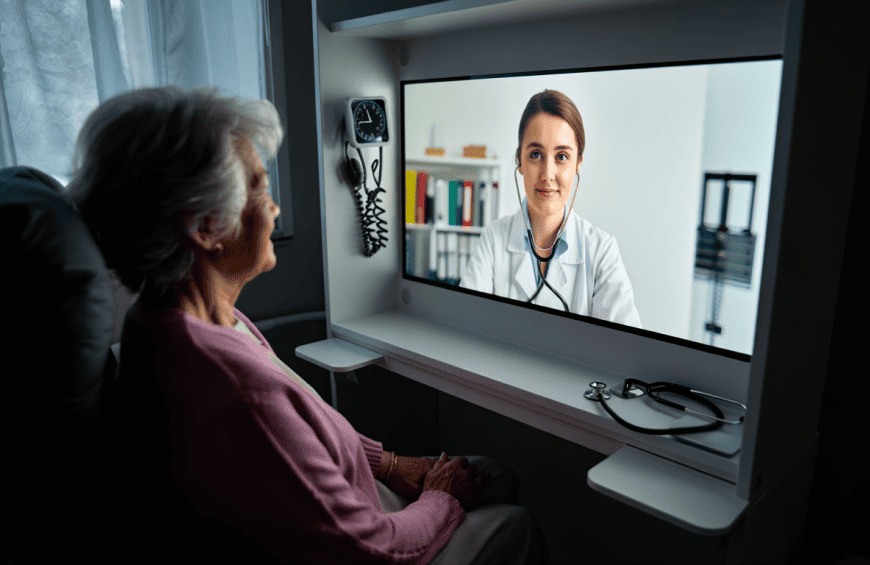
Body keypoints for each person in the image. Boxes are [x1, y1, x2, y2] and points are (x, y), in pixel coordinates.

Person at [65, 86, 545, 565]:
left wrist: (393, 465)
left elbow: (298, 436)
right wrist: (443, 499)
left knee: (493, 474)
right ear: (205, 228)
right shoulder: (234, 391)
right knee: (515, 519)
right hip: (367, 542)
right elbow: (370, 548)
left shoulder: (174, 320)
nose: (273, 208)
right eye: (259, 186)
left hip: (341, 504)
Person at [460, 89, 642, 328]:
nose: (547, 174)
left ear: (578, 164)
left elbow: (624, 348)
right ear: (520, 161)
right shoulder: (493, 240)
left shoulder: (602, 252)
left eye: (562, 157)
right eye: (536, 154)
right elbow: (465, 330)